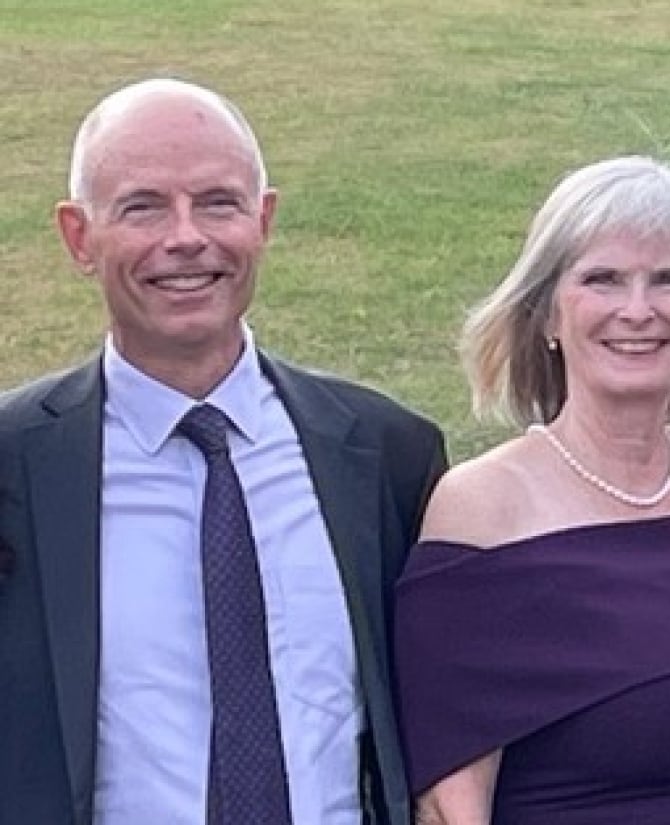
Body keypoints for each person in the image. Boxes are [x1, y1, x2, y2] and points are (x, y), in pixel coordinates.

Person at [0, 78, 446, 825]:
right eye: (143, 206)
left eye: (218, 202)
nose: (186, 237)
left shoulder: (386, 455)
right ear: (79, 236)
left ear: (262, 218)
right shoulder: (14, 466)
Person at [393, 155, 670, 824]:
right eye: (603, 279)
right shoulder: (483, 508)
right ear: (548, 318)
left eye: (669, 279)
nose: (638, 310)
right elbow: (450, 806)